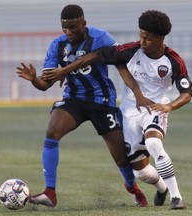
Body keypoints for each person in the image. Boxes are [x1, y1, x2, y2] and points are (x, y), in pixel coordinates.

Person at [42, 10, 192, 210]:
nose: (142, 42)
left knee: (153, 143)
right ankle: (161, 187)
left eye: (147, 39)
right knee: (140, 171)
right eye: (141, 36)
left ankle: (176, 198)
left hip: (155, 108)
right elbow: (97, 55)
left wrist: (168, 106)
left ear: (160, 39)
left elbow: (187, 93)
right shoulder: (130, 50)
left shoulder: (174, 61)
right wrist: (65, 70)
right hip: (129, 112)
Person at [16, 4, 163, 208]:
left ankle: (133, 188)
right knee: (52, 132)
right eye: (64, 28)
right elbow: (45, 84)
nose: (68, 32)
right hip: (74, 100)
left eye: (73, 27)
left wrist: (138, 94)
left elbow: (121, 65)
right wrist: (34, 79)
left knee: (121, 158)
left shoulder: (101, 37)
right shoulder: (57, 46)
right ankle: (50, 193)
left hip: (102, 101)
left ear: (83, 24)